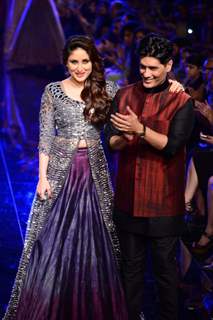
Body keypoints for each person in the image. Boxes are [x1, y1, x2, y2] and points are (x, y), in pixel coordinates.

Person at [3, 35, 128, 320]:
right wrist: (42, 177)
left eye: (85, 61)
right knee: (50, 236)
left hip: (94, 169)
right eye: (74, 61)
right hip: (61, 168)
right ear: (66, 62)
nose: (80, 67)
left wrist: (172, 83)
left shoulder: (107, 89)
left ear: (93, 61)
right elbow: (46, 135)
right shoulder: (53, 91)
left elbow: (136, 99)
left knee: (97, 236)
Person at [105, 33, 195, 320]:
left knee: (165, 274)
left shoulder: (181, 101)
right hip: (128, 199)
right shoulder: (124, 94)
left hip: (163, 202)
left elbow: (173, 146)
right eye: (142, 67)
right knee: (129, 272)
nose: (146, 73)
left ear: (168, 66)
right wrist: (125, 135)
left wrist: (141, 129)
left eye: (153, 68)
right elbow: (111, 143)